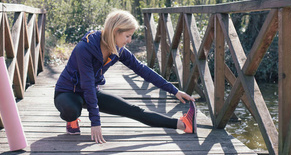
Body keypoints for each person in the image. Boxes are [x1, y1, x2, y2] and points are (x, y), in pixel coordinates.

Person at [54, 9, 196, 144]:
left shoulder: (118, 50)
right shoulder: (84, 48)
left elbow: (143, 70)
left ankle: (183, 124)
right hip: (67, 92)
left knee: (133, 110)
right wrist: (95, 122)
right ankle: (71, 120)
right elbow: (87, 84)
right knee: (72, 110)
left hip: (91, 92)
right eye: (127, 36)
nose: (129, 40)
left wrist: (174, 91)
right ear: (115, 32)